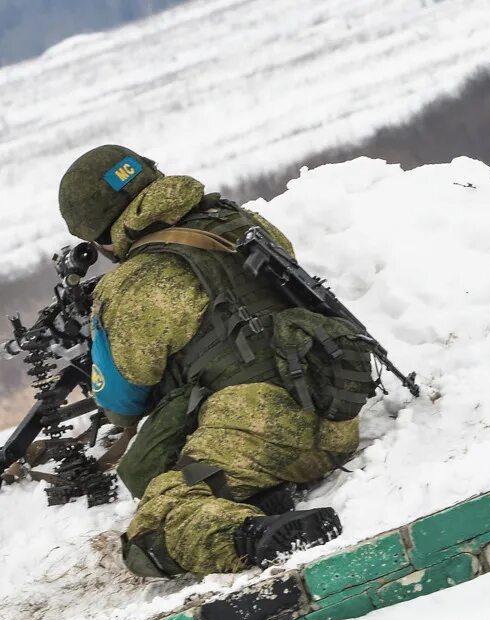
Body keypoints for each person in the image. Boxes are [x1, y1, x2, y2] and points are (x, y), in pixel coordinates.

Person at [57, 144, 367, 578]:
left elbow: (122, 406)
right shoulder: (240, 221)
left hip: (265, 429)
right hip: (334, 408)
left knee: (154, 530)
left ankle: (252, 537)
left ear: (102, 237)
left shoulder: (134, 284)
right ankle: (255, 495)